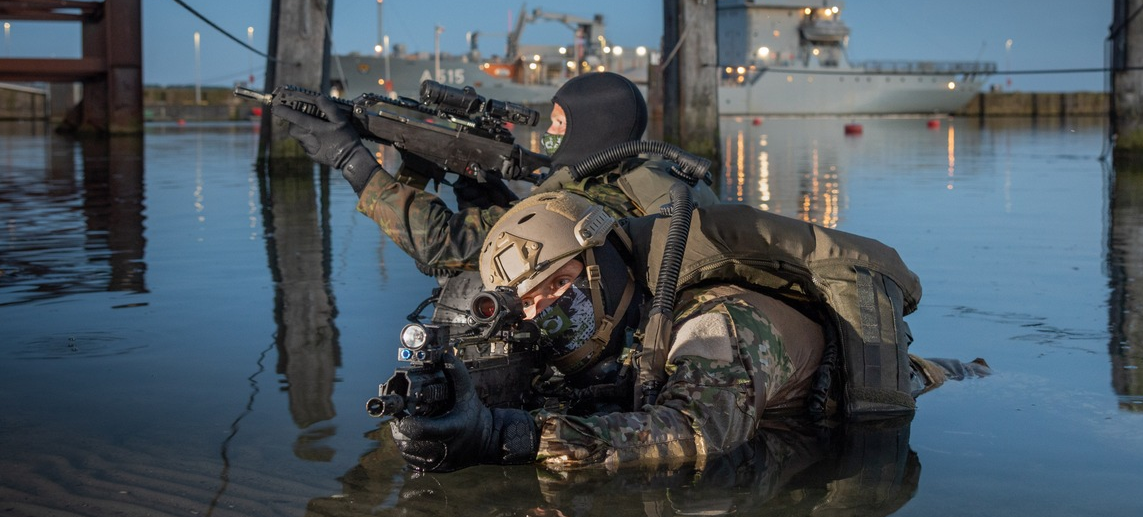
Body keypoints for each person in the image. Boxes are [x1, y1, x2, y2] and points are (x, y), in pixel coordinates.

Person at [389, 191, 990, 472]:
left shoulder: (717, 320)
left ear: (602, 264)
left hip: (936, 386)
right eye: (528, 300)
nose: (543, 307)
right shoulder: (626, 319)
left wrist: (509, 439)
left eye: (556, 283)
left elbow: (701, 431)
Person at [272, 70, 719, 278]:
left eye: (562, 124)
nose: (550, 134)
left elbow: (445, 245)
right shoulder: (639, 175)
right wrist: (482, 189)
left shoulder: (599, 200)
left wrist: (354, 163)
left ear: (594, 129)